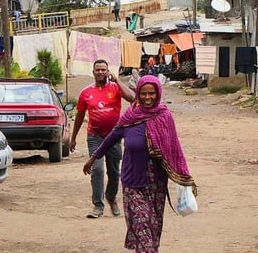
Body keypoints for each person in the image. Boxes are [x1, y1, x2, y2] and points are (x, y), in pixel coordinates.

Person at [83, 75, 196, 253]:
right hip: (133, 182)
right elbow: (111, 137)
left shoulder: (164, 116)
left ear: (158, 93)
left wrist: (183, 174)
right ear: (138, 93)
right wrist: (93, 158)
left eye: (151, 93)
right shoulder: (130, 117)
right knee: (142, 224)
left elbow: (174, 147)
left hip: (157, 183)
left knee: (153, 228)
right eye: (143, 93)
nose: (147, 97)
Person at [70, 59, 135, 218]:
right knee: (97, 170)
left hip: (114, 137)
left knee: (114, 172)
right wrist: (73, 138)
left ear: (108, 71)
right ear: (93, 72)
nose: (100, 72)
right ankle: (97, 206)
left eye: (103, 70)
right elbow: (79, 116)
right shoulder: (86, 92)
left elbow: (132, 97)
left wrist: (118, 80)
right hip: (95, 137)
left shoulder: (115, 87)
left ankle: (111, 198)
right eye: (97, 70)